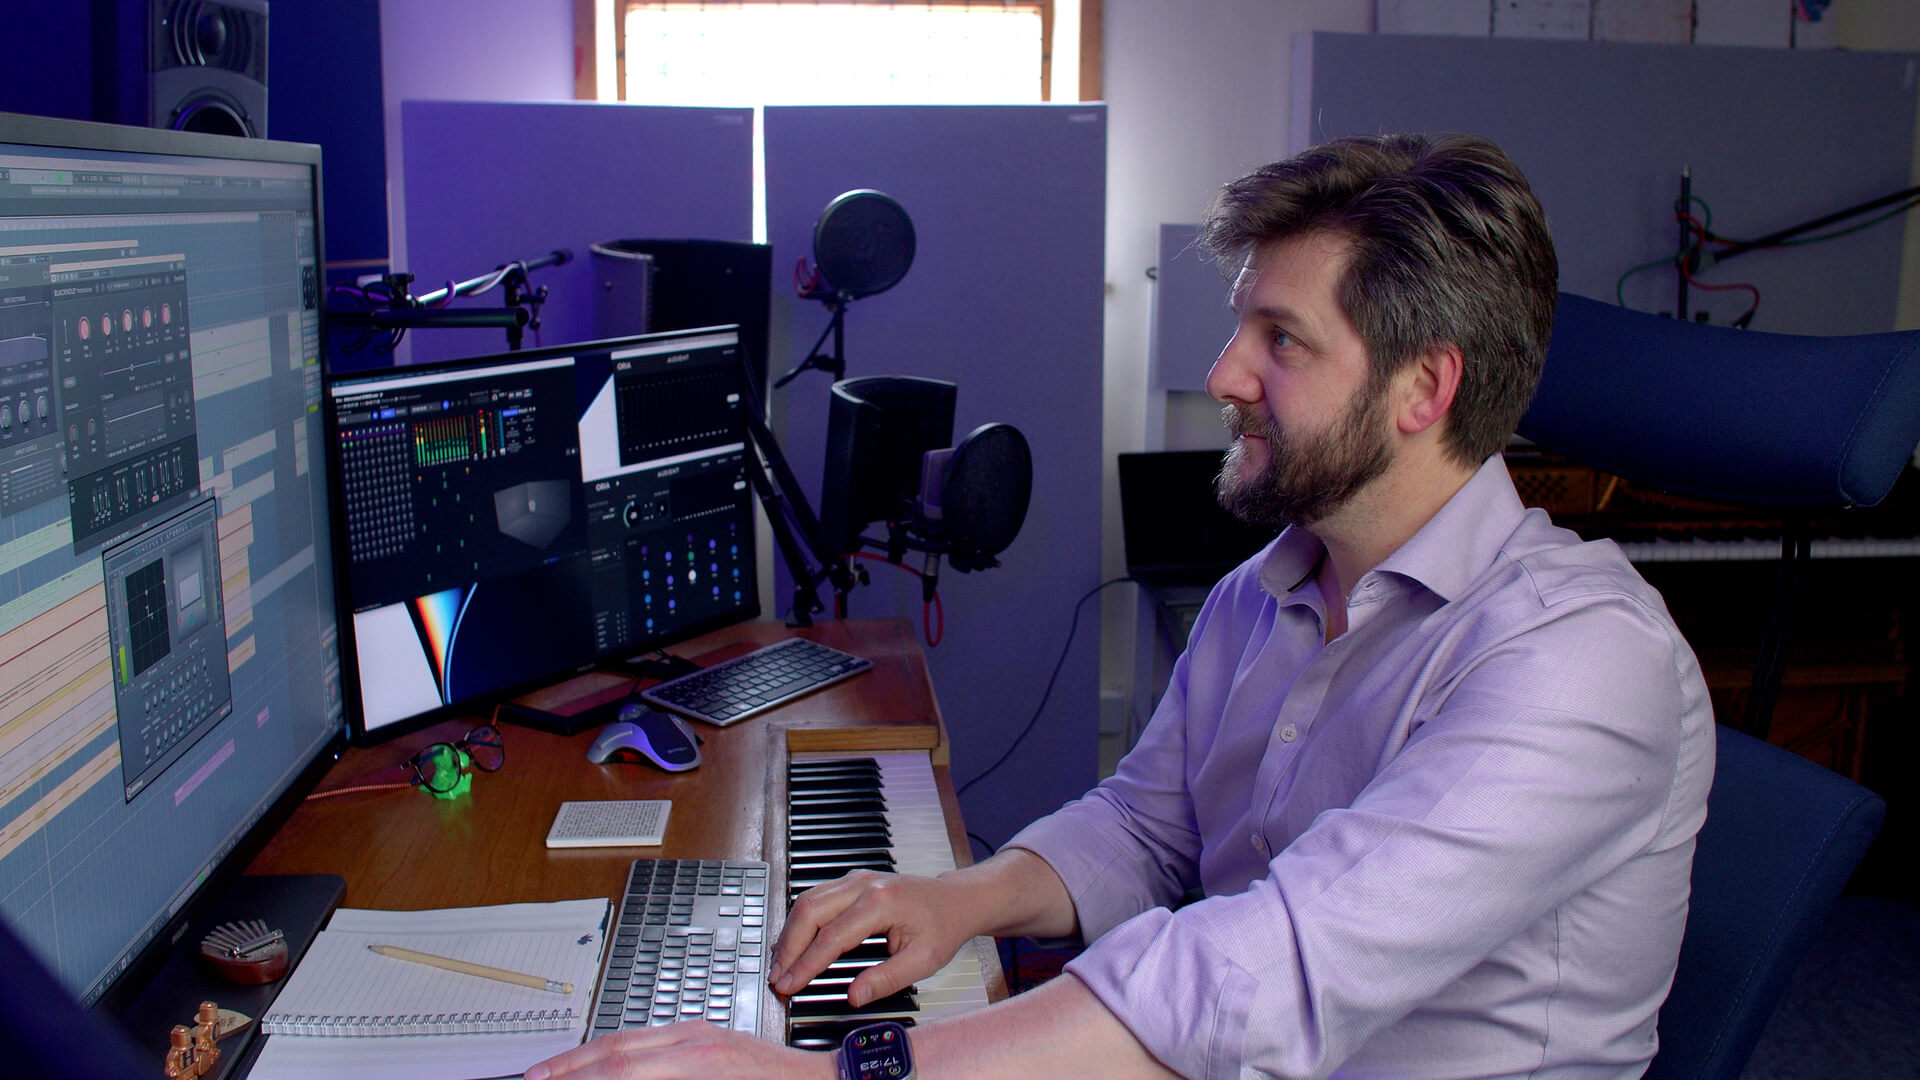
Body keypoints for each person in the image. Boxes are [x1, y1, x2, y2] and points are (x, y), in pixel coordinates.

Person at [526, 132, 1716, 1080]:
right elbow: (1151, 826)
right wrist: (956, 900)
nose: (1222, 375)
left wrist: (858, 1074)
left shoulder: (1576, 661)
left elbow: (1278, 963)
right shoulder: (1272, 588)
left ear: (1424, 387)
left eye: (1281, 339)